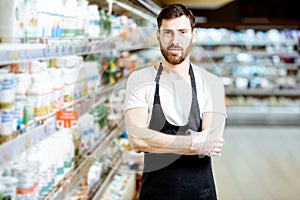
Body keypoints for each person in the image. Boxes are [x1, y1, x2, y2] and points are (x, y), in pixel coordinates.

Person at [124, 3, 227, 200]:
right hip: (155, 194)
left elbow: (210, 143)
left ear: (193, 35)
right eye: (168, 33)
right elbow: (136, 140)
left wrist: (154, 141)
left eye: (182, 32)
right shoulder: (140, 80)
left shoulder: (212, 83)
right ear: (158, 35)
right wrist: (193, 143)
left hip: (200, 194)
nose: (175, 40)